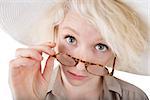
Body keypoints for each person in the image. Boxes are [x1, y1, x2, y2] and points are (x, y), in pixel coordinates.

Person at [0, 0, 149, 100]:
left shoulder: (134, 97)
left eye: (101, 47)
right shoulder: (33, 93)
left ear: (116, 52)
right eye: (71, 39)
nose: (80, 66)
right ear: (55, 34)